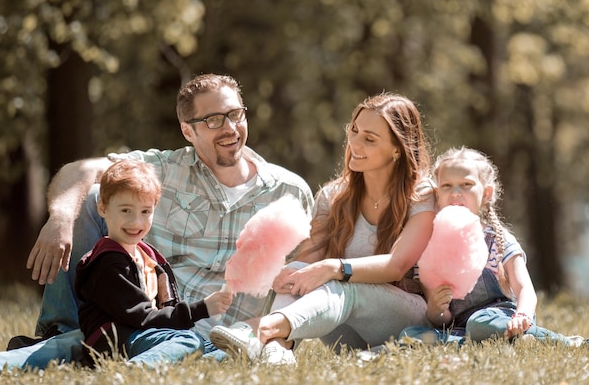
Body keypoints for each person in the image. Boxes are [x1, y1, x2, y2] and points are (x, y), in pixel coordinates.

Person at [0, 73, 313, 376]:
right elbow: (80, 171)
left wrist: (276, 333)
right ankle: (14, 350)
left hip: (215, 335)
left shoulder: (288, 193)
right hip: (141, 318)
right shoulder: (162, 169)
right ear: (187, 131)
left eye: (235, 114)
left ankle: (107, 366)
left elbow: (305, 272)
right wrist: (58, 220)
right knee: (92, 197)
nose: (230, 128)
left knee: (168, 346)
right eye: (214, 120)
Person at [210, 92, 436, 364]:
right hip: (345, 332)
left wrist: (334, 267)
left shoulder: (421, 195)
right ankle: (279, 351)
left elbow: (397, 265)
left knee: (342, 282)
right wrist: (286, 274)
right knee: (297, 273)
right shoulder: (334, 196)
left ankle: (258, 330)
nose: (355, 143)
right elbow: (309, 258)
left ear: (397, 149)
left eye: (370, 139)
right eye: (354, 130)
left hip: (406, 322)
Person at [0, 160, 234, 376]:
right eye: (125, 210)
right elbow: (139, 317)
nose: (135, 221)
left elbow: (161, 309)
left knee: (217, 352)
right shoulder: (108, 260)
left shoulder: (149, 257)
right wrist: (202, 308)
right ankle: (129, 373)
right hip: (117, 337)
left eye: (145, 212)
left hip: (124, 335)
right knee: (190, 342)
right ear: (103, 208)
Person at [398, 147, 585, 346]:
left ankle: (562, 341)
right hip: (458, 327)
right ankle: (486, 344)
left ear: (486, 193)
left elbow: (525, 289)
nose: (455, 193)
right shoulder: (430, 247)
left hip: (501, 317)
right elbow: (442, 318)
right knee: (409, 334)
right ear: (437, 194)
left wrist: (522, 316)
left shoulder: (498, 238)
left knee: (480, 324)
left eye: (466, 184)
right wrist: (436, 310)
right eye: (446, 186)